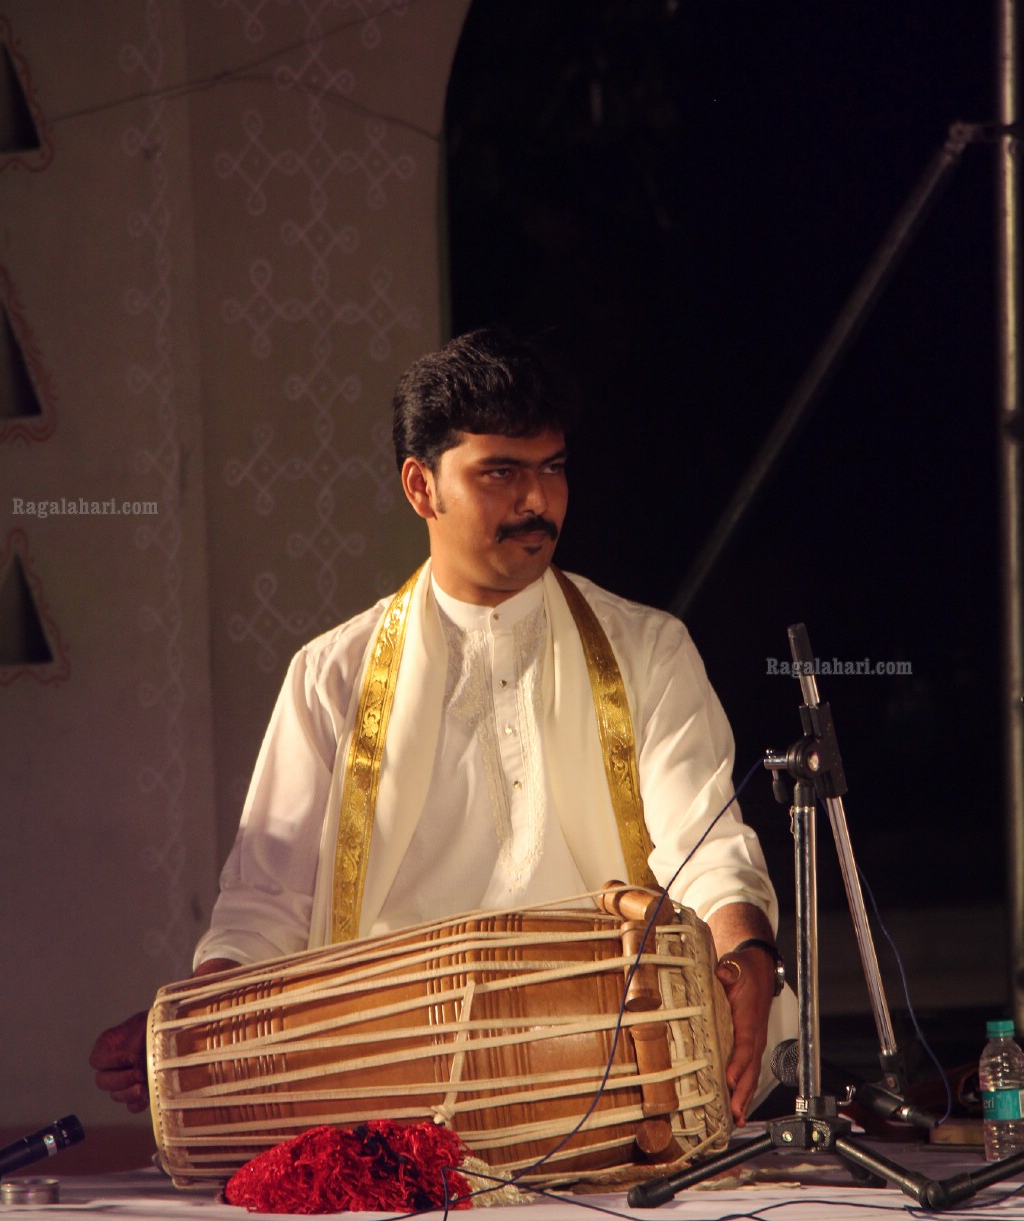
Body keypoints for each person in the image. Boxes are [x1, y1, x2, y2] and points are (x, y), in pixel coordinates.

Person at [92, 327, 794, 1127]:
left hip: (610, 1075)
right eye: (501, 472)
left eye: (553, 469)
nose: (538, 501)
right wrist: (188, 1031)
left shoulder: (647, 649)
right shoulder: (333, 675)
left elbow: (708, 846)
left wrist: (747, 959)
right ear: (421, 487)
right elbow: (266, 905)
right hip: (395, 1088)